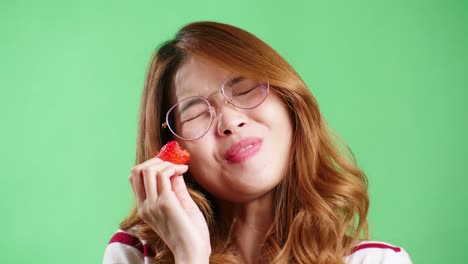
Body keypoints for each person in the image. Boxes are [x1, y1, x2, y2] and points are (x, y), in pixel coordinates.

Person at [103, 21, 412, 264]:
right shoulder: (134, 256)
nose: (230, 122)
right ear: (174, 150)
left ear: (290, 103)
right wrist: (190, 255)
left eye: (245, 90)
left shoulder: (377, 260)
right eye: (196, 112)